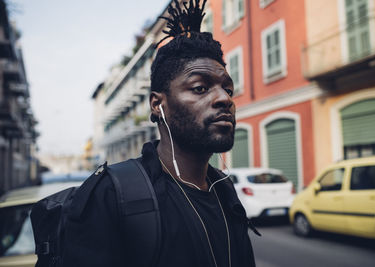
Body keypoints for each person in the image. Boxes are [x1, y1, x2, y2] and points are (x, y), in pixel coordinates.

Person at [61, 0, 257, 266]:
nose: (224, 99)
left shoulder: (225, 191)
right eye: (200, 88)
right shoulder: (112, 195)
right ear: (157, 104)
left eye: (228, 89)